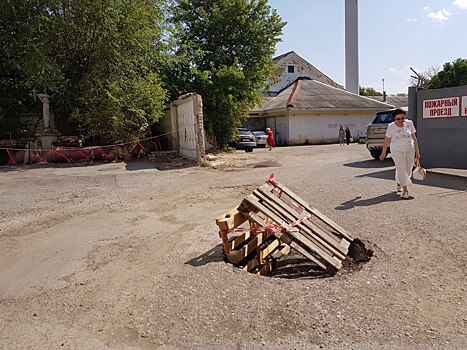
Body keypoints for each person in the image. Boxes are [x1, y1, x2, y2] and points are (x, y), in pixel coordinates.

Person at [379, 108, 420, 199]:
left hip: (409, 148)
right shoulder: (391, 126)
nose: (400, 120)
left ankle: (399, 182)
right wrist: (383, 153)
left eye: (402, 118)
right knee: (401, 168)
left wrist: (417, 152)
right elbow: (386, 141)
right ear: (394, 118)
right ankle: (405, 190)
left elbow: (414, 138)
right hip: (396, 149)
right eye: (398, 119)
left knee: (409, 169)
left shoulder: (410, 123)